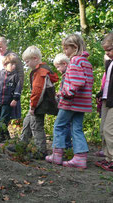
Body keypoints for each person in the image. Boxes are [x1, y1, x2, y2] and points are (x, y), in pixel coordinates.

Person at [45, 34, 93, 169]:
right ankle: (80, 157)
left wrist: (65, 93)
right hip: (82, 103)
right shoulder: (86, 62)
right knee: (77, 128)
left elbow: (78, 82)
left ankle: (57, 155)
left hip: (71, 102)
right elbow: (87, 81)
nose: (65, 51)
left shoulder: (75, 61)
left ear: (75, 47)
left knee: (59, 126)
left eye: (66, 48)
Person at [8, 46, 59, 159]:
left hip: (40, 104)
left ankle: (41, 151)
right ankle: (22, 144)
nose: (26, 64)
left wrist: (33, 106)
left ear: (35, 58)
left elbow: (37, 91)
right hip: (39, 103)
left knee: (36, 126)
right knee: (27, 122)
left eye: (27, 61)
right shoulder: (40, 70)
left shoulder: (41, 72)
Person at [0, 53, 22, 143]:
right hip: (0, 101)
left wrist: (15, 99)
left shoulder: (15, 76)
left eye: (15, 64)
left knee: (3, 119)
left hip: (8, 102)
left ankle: (0, 136)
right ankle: (5, 135)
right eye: (12, 64)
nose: (14, 66)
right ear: (5, 65)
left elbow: (18, 88)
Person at [95, 32, 113, 171]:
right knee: (103, 130)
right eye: (106, 51)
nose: (108, 53)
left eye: (109, 50)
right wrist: (101, 93)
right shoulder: (110, 63)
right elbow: (107, 82)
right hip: (107, 99)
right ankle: (108, 158)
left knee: (109, 129)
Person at [53, 53, 72, 149]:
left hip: (66, 104)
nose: (57, 69)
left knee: (60, 125)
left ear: (64, 64)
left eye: (58, 67)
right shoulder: (67, 74)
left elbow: (68, 90)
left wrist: (60, 93)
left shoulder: (68, 75)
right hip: (67, 103)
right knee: (67, 125)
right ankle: (67, 146)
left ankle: (63, 147)